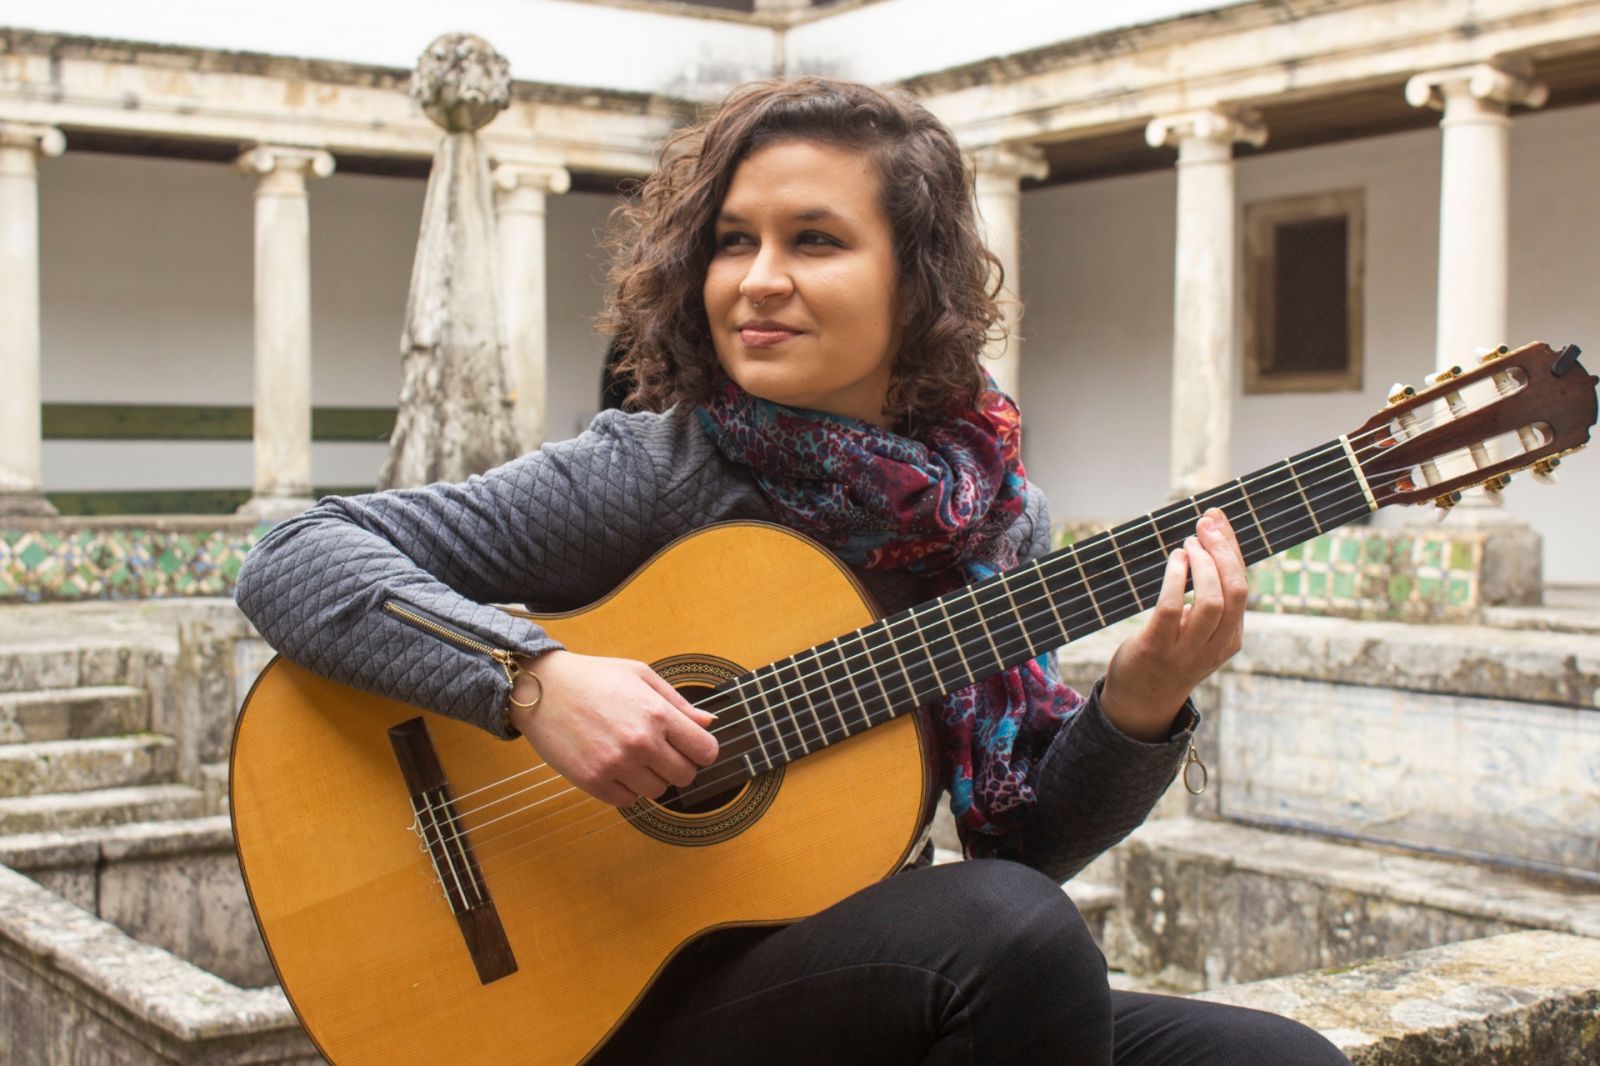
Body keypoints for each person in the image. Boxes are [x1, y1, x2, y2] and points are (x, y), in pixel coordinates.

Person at [236, 77, 1348, 1065]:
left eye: (813, 240)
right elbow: (292, 557)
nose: (758, 280)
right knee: (1007, 934)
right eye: (732, 241)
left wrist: (1142, 702)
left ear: (918, 281)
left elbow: (1026, 847)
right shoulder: (663, 469)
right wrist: (532, 681)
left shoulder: (995, 518)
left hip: (835, 979)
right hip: (609, 1010)